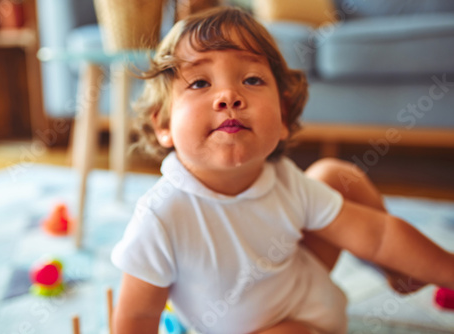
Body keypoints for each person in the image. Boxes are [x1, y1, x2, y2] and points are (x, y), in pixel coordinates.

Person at [110, 7, 454, 334]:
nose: (229, 96)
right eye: (200, 83)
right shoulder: (161, 216)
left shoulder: (286, 180)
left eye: (252, 80)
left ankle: (399, 275)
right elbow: (137, 316)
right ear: (163, 123)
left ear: (284, 115)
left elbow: (378, 235)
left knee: (335, 177)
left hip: (307, 291)